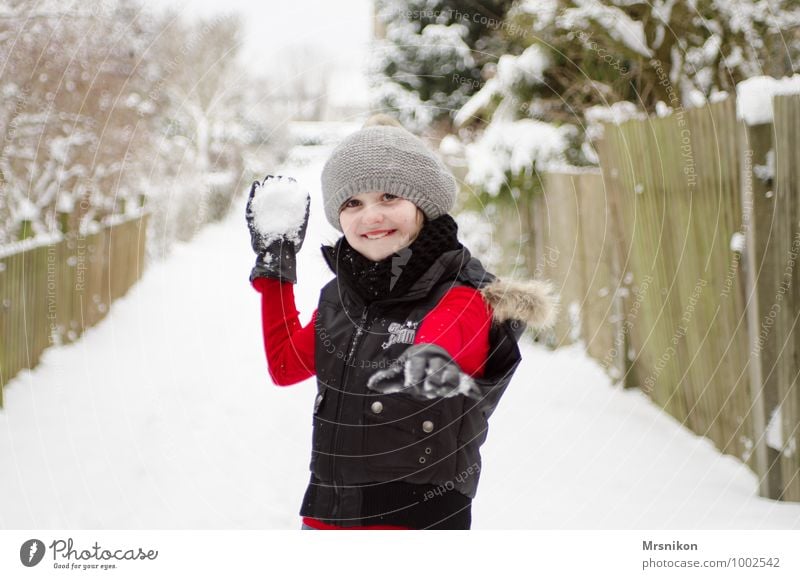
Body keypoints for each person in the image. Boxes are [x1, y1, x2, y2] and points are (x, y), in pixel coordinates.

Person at [245, 115, 558, 530]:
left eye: (389, 196)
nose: (370, 216)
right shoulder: (343, 297)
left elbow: (431, 367)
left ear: (423, 204)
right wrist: (275, 267)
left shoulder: (462, 298)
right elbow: (286, 366)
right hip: (326, 517)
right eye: (352, 203)